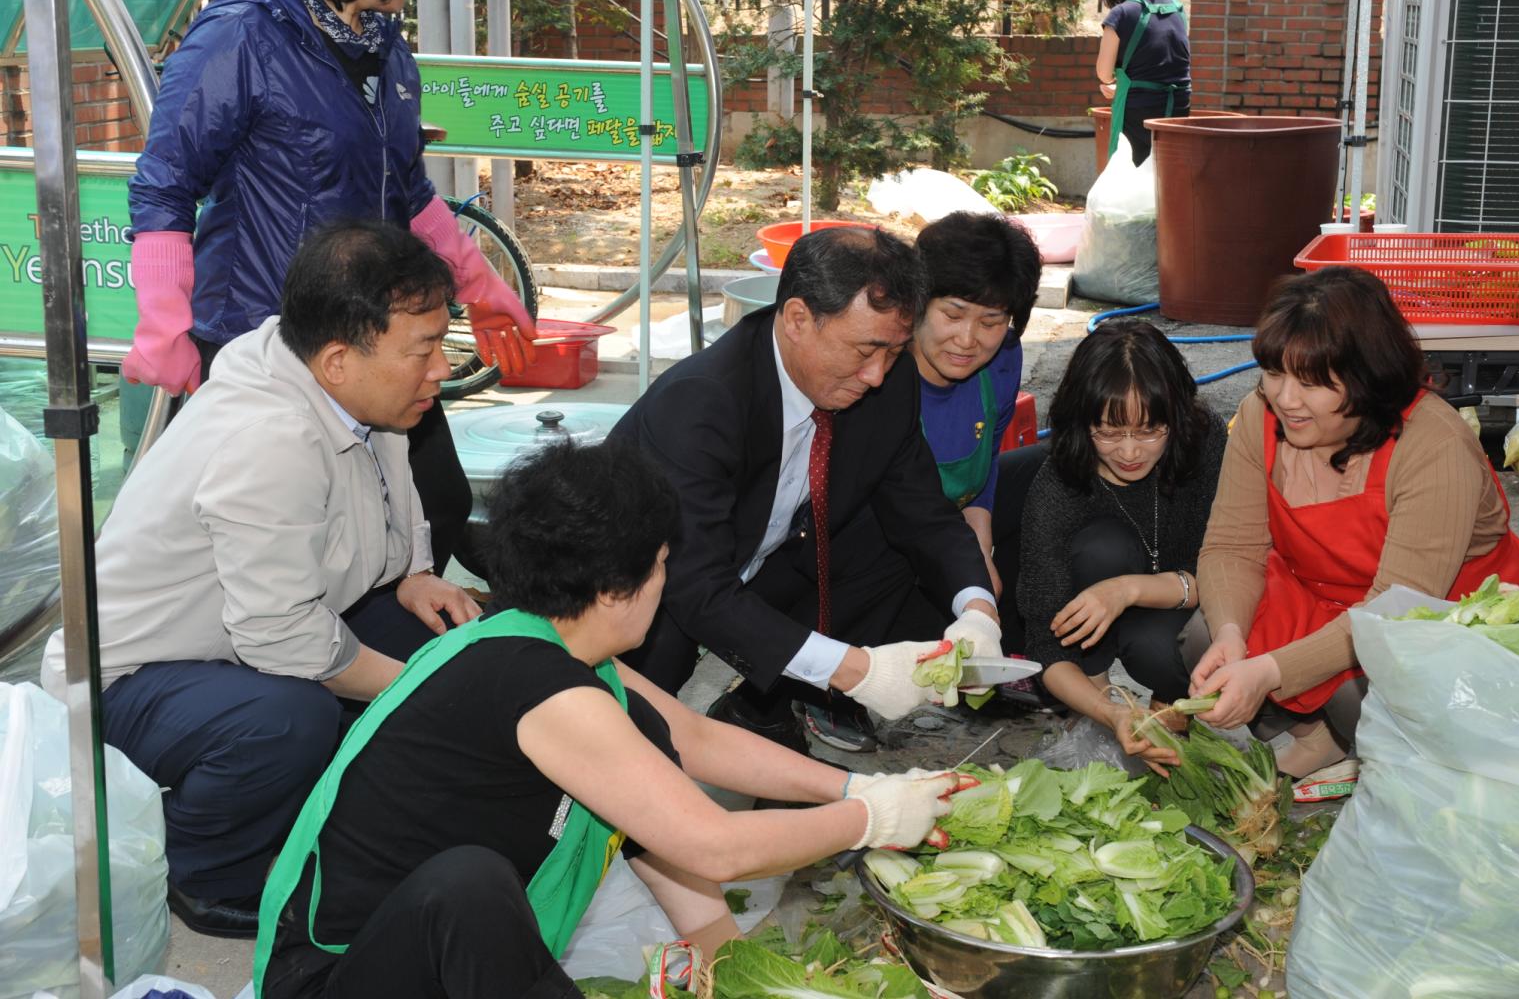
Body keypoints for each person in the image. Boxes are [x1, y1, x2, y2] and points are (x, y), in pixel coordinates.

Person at [254, 440, 959, 999]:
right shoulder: (533, 684)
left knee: (644, 756)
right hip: (338, 980)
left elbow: (692, 742)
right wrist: (874, 821)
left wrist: (850, 793)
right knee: (466, 887)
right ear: (614, 590)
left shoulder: (552, 645)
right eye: (659, 565)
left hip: (439, 968)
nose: (664, 581)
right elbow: (715, 846)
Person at [41, 221, 482, 937]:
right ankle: (205, 869)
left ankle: (319, 807)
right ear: (339, 358)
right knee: (287, 719)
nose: (442, 366)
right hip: (126, 679)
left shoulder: (351, 384)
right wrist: (422, 694)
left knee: (438, 633)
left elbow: (387, 479)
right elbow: (285, 642)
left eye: (441, 340)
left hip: (240, 633)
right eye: (424, 349)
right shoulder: (269, 441)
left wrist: (415, 574)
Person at [123, 0, 534, 573]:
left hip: (373, 337)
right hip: (267, 343)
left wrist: (478, 285)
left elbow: (410, 188)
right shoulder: (242, 33)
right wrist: (163, 323)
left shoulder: (387, 48)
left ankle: (400, 646)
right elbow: (164, 184)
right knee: (297, 542)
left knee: (436, 504)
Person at [607, 226, 1003, 755]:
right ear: (797, 319)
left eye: (894, 351)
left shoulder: (886, 378)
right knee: (640, 723)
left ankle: (767, 706)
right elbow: (695, 584)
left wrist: (978, 610)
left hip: (770, 552)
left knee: (893, 553)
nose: (878, 374)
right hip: (648, 584)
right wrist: (856, 670)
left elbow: (923, 511)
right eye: (865, 349)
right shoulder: (701, 402)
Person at [1191, 266, 1519, 776]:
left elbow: (1394, 613)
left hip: (1435, 621)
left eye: (1312, 382)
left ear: (1367, 377)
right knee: (1206, 638)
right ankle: (1318, 740)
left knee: (1365, 698)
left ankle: (1412, 760)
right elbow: (1231, 545)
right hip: (1328, 596)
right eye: (1274, 373)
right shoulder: (1258, 416)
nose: (1286, 399)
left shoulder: (1434, 445)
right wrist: (1230, 633)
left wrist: (1269, 671)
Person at [1017, 321, 1225, 774]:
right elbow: (1045, 648)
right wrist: (1108, 711)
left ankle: (1171, 707)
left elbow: (1225, 571)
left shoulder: (1203, 445)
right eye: (1109, 432)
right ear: (1081, 421)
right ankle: (1094, 697)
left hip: (1184, 598)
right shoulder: (1058, 487)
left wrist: (1126, 590)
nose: (1130, 451)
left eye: (1150, 430)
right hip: (1118, 590)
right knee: (1101, 547)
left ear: (1177, 416)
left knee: (1163, 648)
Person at [911, 211, 1045, 641]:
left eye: (990, 322)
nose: (968, 340)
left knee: (1065, 462)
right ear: (917, 302)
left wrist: (981, 550)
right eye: (953, 315)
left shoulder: (1003, 357)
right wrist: (966, 569)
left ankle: (1026, 653)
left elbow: (985, 464)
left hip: (959, 516)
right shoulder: (879, 372)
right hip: (890, 538)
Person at [1096, 0, 1191, 166]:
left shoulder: (1121, 13)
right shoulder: (1176, 6)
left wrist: (1113, 83)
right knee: (1168, 171)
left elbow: (1104, 73)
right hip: (1178, 105)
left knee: (1132, 174)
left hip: (1139, 110)